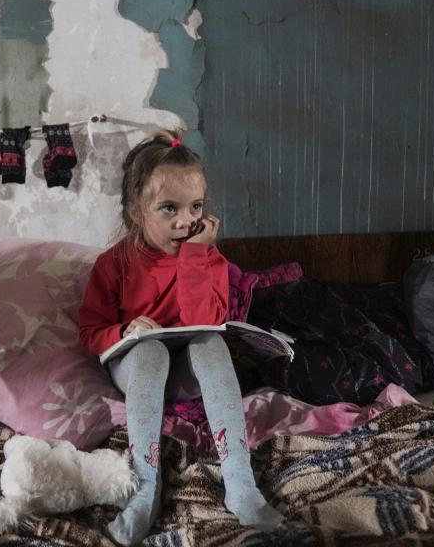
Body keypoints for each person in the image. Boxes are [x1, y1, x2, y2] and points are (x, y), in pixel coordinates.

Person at [78, 129, 283, 545]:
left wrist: (195, 257)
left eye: (195, 207)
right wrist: (125, 330)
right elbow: (91, 331)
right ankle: (143, 488)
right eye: (168, 208)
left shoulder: (208, 258)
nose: (186, 221)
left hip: (187, 372)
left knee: (209, 342)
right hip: (139, 368)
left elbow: (205, 319)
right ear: (135, 211)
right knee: (150, 348)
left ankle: (240, 482)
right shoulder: (112, 264)